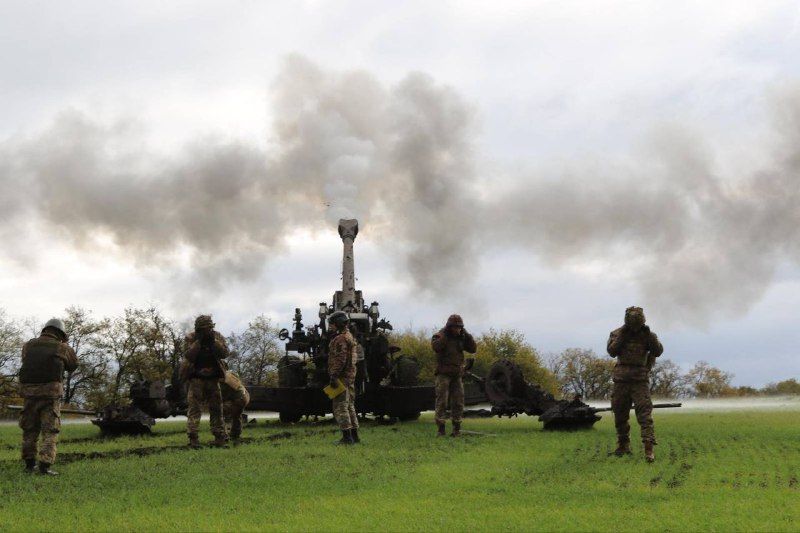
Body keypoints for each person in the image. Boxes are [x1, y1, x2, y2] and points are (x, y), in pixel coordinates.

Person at [18, 318, 78, 475]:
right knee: (50, 431)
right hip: (50, 396)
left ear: (45, 330)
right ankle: (44, 466)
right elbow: (73, 366)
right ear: (60, 333)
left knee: (29, 430)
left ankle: (29, 466)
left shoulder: (28, 345)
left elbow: (26, 361)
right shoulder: (62, 347)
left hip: (29, 395)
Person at [607, 306, 664, 462]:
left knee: (645, 415)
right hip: (621, 380)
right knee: (619, 413)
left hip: (639, 380)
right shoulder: (617, 333)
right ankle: (623, 445)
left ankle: (648, 448)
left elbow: (658, 351)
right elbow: (612, 351)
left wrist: (649, 336)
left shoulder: (648, 335)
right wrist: (623, 335)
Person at [181, 315, 229, 448]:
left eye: (208, 328)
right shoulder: (191, 337)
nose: (206, 331)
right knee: (194, 410)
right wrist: (199, 341)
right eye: (203, 329)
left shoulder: (217, 336)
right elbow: (188, 356)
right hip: (196, 379)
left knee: (217, 410)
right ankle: (193, 439)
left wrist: (213, 342)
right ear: (198, 329)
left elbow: (225, 353)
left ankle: (220, 437)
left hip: (213, 379)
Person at [431, 314, 476, 437]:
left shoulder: (461, 337)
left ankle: (456, 429)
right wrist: (446, 335)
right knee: (442, 402)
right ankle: (441, 429)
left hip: (457, 374)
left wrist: (465, 334)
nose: (458, 329)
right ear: (449, 327)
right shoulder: (440, 335)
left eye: (460, 327)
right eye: (455, 327)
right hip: (443, 374)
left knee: (458, 402)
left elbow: (473, 349)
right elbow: (436, 347)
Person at [327, 311, 359, 445]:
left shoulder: (340, 338)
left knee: (340, 407)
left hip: (341, 377)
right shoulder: (349, 336)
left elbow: (340, 359)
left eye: (332, 324)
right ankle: (355, 436)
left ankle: (347, 438)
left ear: (338, 324)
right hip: (350, 376)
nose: (330, 327)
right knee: (350, 406)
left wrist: (333, 376)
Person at [221, 367, 250, 442]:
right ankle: (235, 434)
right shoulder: (230, 374)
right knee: (236, 415)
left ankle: (223, 436)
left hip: (239, 398)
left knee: (218, 413)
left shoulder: (224, 376)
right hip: (245, 397)